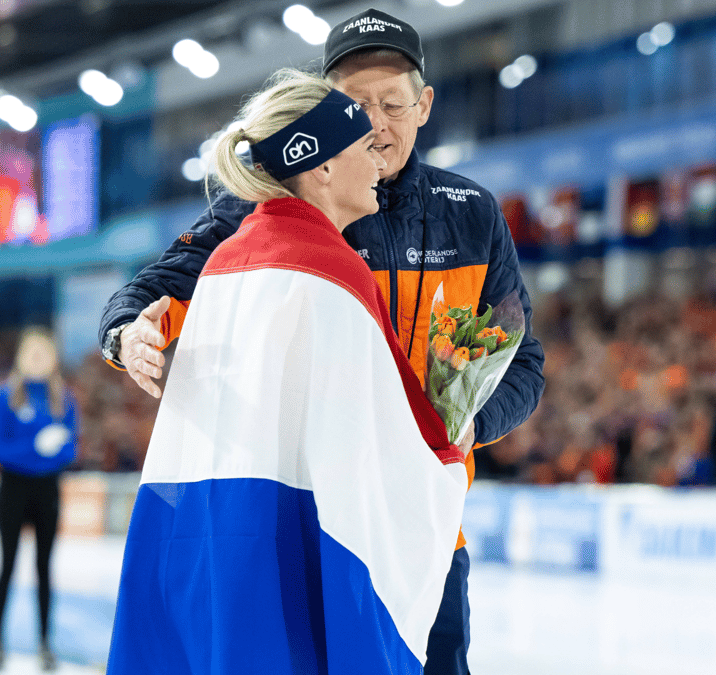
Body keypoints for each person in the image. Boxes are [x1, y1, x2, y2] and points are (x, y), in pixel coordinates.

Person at [98, 10, 544, 672]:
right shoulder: (263, 206)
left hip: (425, 529)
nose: (376, 122)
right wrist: (125, 334)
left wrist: (464, 426)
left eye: (392, 104)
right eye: (356, 105)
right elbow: (148, 290)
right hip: (314, 525)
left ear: (424, 105)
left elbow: (524, 364)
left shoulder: (473, 214)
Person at [0, 328, 77, 672]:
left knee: (45, 568)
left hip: (47, 490)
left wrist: (53, 451)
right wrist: (36, 447)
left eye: (44, 353)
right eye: (31, 352)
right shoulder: (6, 397)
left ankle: (45, 642)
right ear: (21, 356)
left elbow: (71, 448)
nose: (37, 359)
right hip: (13, 490)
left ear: (53, 359)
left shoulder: (64, 399)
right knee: (9, 565)